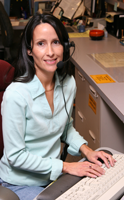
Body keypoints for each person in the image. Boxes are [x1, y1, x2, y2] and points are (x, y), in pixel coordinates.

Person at [0, 12, 116, 200]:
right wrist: (66, 166)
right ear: (29, 50)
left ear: (65, 46)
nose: (51, 52)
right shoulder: (16, 95)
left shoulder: (68, 83)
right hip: (20, 183)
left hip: (51, 177)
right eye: (41, 43)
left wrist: (88, 151)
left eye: (56, 42)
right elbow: (16, 156)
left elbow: (65, 127)